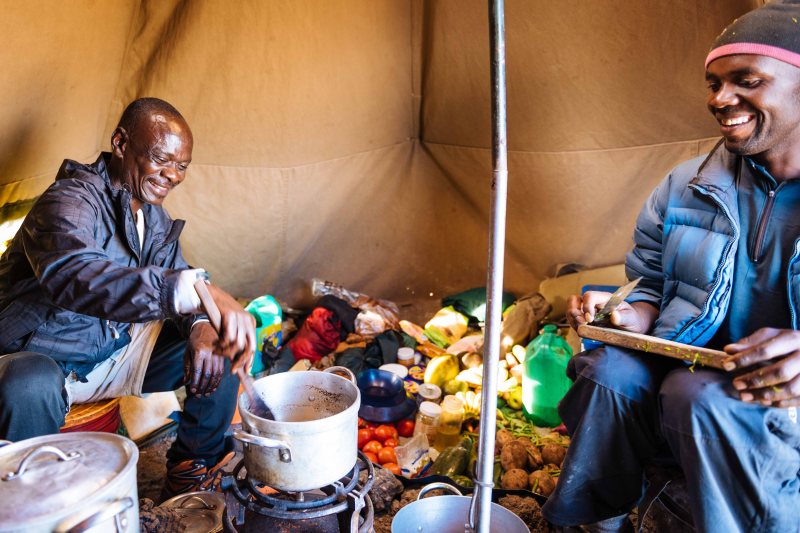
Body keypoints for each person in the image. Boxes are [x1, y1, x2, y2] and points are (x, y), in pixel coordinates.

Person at [542, 3, 800, 532]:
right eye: (713, 84)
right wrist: (626, 314)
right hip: (687, 377)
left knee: (695, 394)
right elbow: (652, 284)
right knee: (608, 372)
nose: (719, 100)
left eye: (745, 81)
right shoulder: (687, 184)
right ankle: (601, 520)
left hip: (768, 402)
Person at [0, 97, 256, 500]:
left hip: (111, 352)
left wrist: (202, 325)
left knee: (218, 344)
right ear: (121, 143)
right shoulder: (69, 201)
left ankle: (191, 471)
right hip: (44, 356)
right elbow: (76, 276)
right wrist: (192, 291)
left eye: (182, 165)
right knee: (27, 382)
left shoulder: (154, 222)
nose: (171, 174)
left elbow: (178, 280)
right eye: (159, 158)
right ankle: (28, 505)